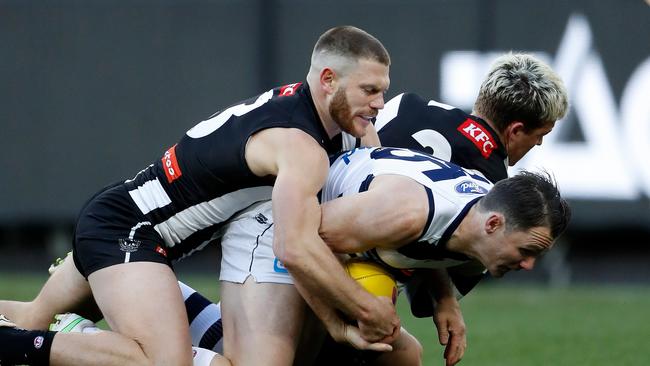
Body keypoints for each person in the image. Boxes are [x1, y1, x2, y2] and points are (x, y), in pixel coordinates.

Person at [0, 25, 398, 366]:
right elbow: (294, 246)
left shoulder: (345, 126)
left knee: (33, 315)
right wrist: (363, 309)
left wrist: (442, 300)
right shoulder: (299, 145)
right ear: (328, 80)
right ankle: (39, 340)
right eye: (369, 90)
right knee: (163, 361)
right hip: (127, 230)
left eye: (383, 91)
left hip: (126, 225)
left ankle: (64, 326)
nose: (379, 103)